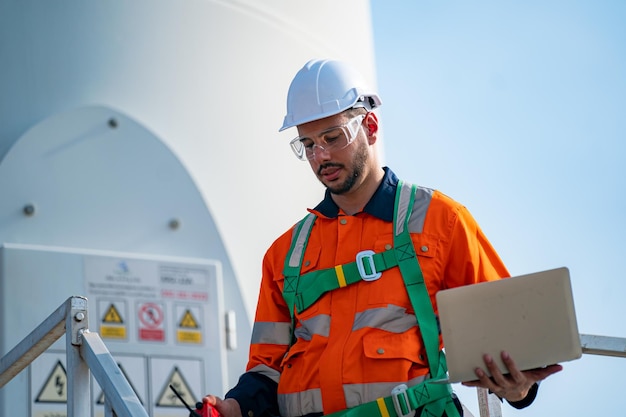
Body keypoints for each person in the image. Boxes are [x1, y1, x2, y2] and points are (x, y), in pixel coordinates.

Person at [202, 59, 562, 417]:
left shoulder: (441, 221)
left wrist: (519, 389)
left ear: (370, 127)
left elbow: (511, 341)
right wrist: (232, 409)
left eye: (332, 138)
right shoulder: (284, 255)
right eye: (308, 145)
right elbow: (266, 372)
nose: (320, 156)